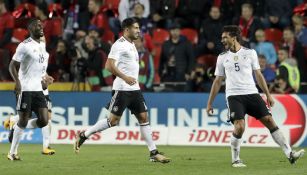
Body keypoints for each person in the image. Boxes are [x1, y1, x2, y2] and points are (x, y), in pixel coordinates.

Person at [206, 25, 305, 167]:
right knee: (239, 126)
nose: (222, 40)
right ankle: (236, 159)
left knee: (270, 120)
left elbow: (258, 75)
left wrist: (268, 95)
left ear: (234, 37)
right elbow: (217, 81)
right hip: (234, 95)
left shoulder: (250, 53)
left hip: (252, 93)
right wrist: (210, 103)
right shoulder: (222, 57)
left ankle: (290, 154)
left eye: (225, 37)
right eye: (222, 38)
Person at [74, 17, 170, 163]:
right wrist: (125, 77)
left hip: (135, 89)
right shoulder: (119, 45)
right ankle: (84, 135)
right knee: (113, 121)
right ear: (127, 29)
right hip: (122, 89)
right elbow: (108, 66)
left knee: (144, 118)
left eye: (139, 28)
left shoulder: (132, 44)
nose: (138, 31)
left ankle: (153, 153)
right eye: (136, 28)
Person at [8, 18, 51, 161]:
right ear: (30, 28)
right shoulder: (24, 45)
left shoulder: (42, 46)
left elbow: (39, 69)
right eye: (37, 25)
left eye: (41, 25)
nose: (41, 27)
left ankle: (16, 126)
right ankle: (12, 152)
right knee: (23, 121)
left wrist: (45, 78)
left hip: (38, 89)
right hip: (25, 89)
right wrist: (17, 83)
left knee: (44, 120)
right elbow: (12, 65)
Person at [3, 87, 56, 155]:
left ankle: (46, 147)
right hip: (26, 91)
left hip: (41, 94)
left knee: (46, 119)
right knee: (26, 117)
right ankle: (14, 120)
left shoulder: (42, 82)